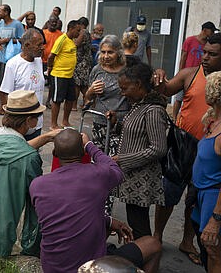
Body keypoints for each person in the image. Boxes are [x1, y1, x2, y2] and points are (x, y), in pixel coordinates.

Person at [30, 128, 162, 273]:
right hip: (91, 267)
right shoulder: (98, 175)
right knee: (153, 244)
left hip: (52, 267)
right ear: (83, 154)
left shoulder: (37, 185)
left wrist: (109, 221)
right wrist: (89, 145)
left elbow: (67, 213)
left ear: (55, 154)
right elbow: (115, 169)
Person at [0, 90, 61, 257]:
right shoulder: (29, 158)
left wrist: (45, 137)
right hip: (6, 226)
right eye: (37, 117)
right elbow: (35, 200)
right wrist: (31, 245)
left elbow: (13, 148)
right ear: (30, 121)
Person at [152, 32, 221, 266]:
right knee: (169, 194)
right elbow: (166, 90)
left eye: (212, 54)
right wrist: (160, 76)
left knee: (195, 200)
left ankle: (187, 241)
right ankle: (157, 237)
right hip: (182, 148)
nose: (205, 58)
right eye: (204, 53)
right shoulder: (190, 74)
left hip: (210, 154)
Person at [112, 62, 168, 239]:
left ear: (138, 85)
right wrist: (116, 123)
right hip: (133, 177)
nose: (122, 93)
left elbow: (158, 148)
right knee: (136, 221)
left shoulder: (153, 110)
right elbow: (135, 133)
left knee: (139, 225)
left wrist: (123, 159)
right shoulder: (139, 105)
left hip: (142, 179)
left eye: (125, 88)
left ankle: (146, 257)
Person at [191, 71, 221, 272]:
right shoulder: (212, 122)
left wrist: (215, 219)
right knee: (207, 248)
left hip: (214, 196)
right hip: (202, 194)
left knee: (213, 250)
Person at [85, 35, 129, 155]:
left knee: (115, 160)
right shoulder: (97, 70)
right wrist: (90, 91)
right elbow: (88, 100)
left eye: (110, 52)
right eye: (103, 52)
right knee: (98, 157)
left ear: (119, 53)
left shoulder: (127, 70)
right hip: (100, 122)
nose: (106, 56)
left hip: (121, 124)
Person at [0, 28, 45, 140]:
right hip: (19, 127)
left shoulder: (38, 61)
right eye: (39, 45)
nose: (42, 47)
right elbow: (4, 93)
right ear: (27, 45)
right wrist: (10, 121)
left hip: (37, 124)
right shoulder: (13, 64)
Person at [173, 21, 218, 120]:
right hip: (189, 75)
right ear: (205, 30)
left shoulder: (208, 44)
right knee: (179, 98)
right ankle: (175, 117)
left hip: (201, 75)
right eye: (212, 31)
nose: (213, 34)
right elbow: (183, 57)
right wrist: (180, 72)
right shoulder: (190, 40)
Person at [48, 20, 82, 129]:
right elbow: (51, 56)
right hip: (59, 75)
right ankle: (53, 124)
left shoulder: (71, 41)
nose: (79, 33)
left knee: (70, 99)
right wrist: (49, 68)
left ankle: (65, 121)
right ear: (71, 29)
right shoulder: (62, 39)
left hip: (69, 75)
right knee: (57, 100)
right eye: (77, 30)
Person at [0, 4, 25, 90]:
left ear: (6, 12)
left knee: (12, 84)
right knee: (2, 84)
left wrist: (9, 40)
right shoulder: (0, 24)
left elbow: (23, 40)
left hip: (13, 57)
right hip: (1, 58)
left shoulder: (17, 24)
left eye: (0, 11)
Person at [73, 16, 93, 110]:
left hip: (81, 62)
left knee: (77, 84)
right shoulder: (87, 33)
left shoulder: (83, 32)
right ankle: (88, 102)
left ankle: (74, 105)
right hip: (85, 61)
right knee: (83, 85)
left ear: (81, 25)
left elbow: (76, 44)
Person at [43, 14, 63, 107]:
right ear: (48, 23)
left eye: (55, 22)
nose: (53, 24)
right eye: (52, 22)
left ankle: (48, 101)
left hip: (54, 63)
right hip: (42, 61)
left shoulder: (61, 35)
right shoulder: (43, 33)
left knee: (52, 83)